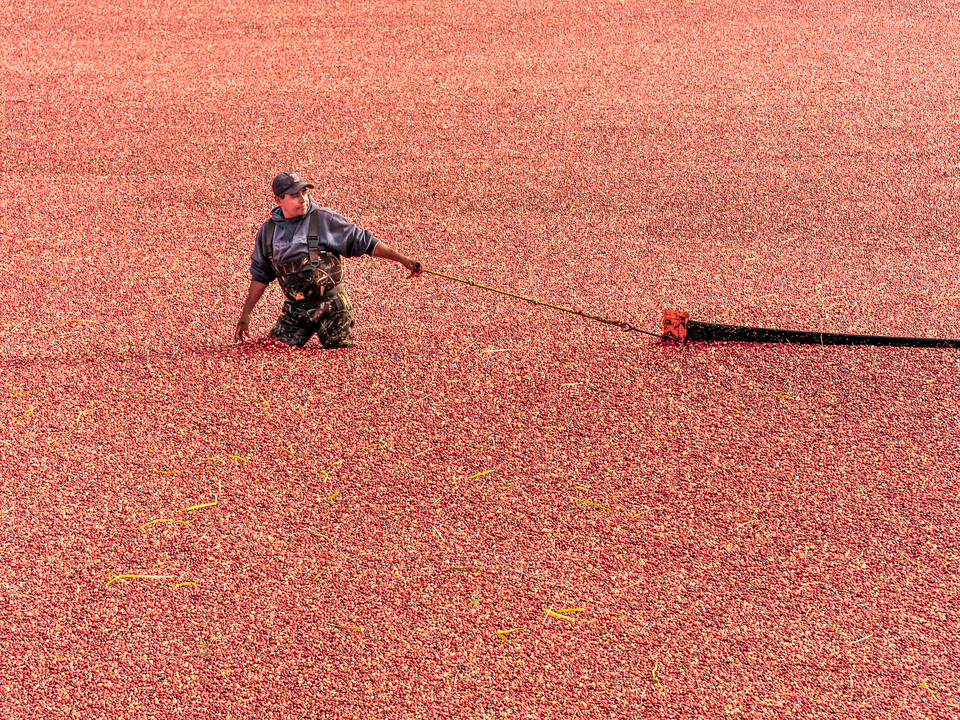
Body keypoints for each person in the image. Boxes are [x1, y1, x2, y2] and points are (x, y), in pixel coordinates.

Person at [234, 171, 423, 348]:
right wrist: (246, 313)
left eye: (305, 192)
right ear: (278, 199)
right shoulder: (268, 232)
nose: (303, 199)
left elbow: (365, 242)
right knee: (276, 348)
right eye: (295, 195)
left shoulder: (324, 219)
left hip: (333, 308)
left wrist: (403, 260)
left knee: (337, 353)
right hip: (296, 311)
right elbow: (260, 275)